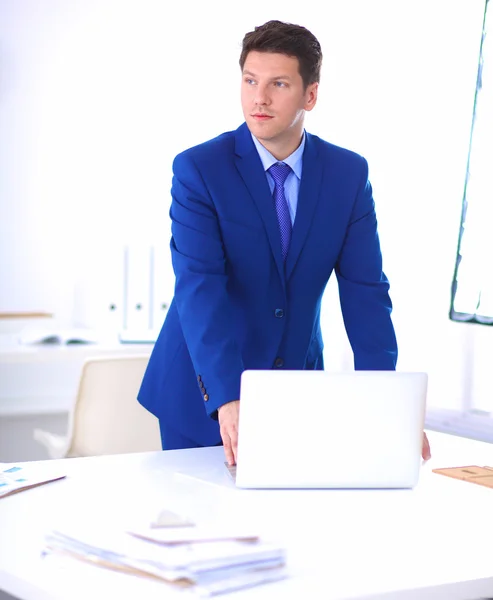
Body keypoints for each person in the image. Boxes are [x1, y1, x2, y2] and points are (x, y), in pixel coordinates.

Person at [138, 19, 431, 465]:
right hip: (201, 391)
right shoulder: (199, 169)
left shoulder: (347, 175)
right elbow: (200, 287)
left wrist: (389, 402)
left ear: (310, 95)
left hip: (294, 388)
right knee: (202, 525)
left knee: (286, 527)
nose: (259, 97)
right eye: (250, 81)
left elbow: (366, 292)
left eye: (278, 83)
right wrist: (227, 395)